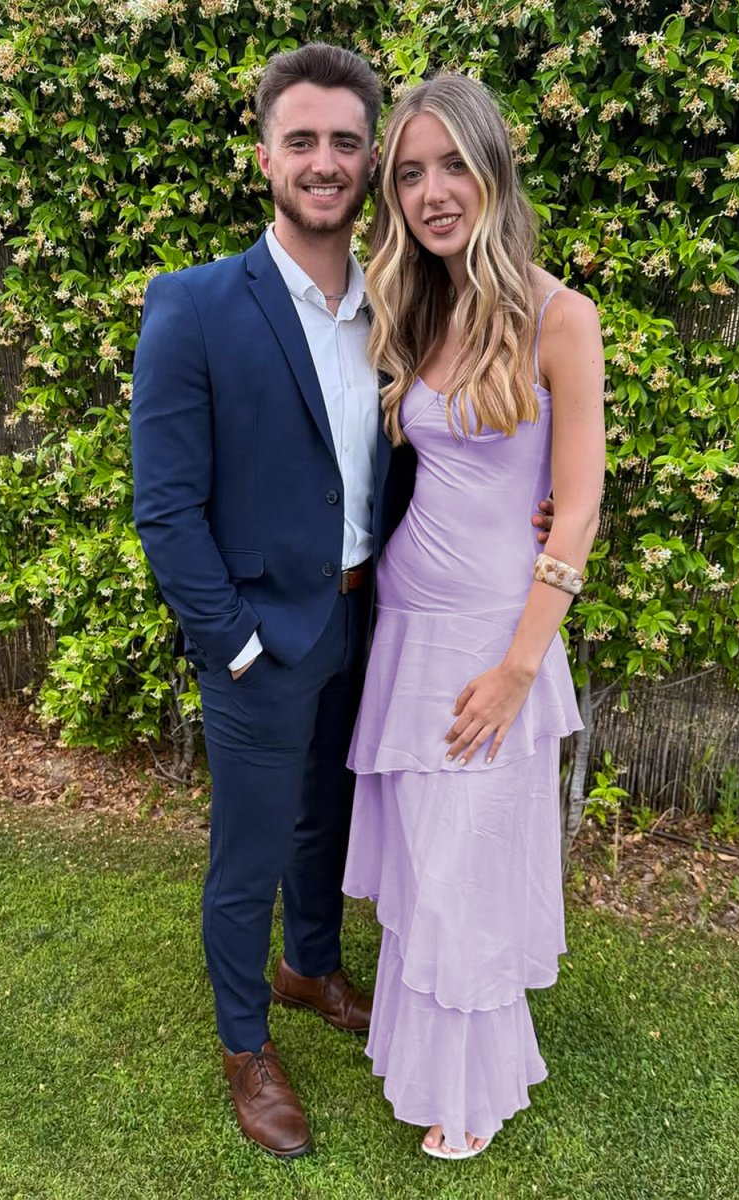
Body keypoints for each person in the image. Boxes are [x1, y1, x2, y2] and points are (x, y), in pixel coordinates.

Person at [131, 44, 555, 1159]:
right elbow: (165, 508)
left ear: (370, 164)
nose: (325, 162)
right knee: (250, 850)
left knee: (330, 817)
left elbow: (441, 452)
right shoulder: (193, 305)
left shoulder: (404, 305)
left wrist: (538, 509)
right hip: (259, 640)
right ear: (266, 156)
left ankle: (309, 968)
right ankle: (244, 1045)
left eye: (346, 143)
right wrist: (230, 644)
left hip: (376, 624)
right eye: (302, 140)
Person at [343, 74, 605, 1159]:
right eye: (410, 173)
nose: (432, 191)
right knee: (423, 868)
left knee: (465, 873)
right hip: (404, 626)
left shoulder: (561, 317)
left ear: (493, 168)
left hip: (490, 642)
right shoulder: (411, 305)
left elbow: (576, 506)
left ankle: (469, 1089)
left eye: (452, 164)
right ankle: (421, 1059)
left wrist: (516, 670)